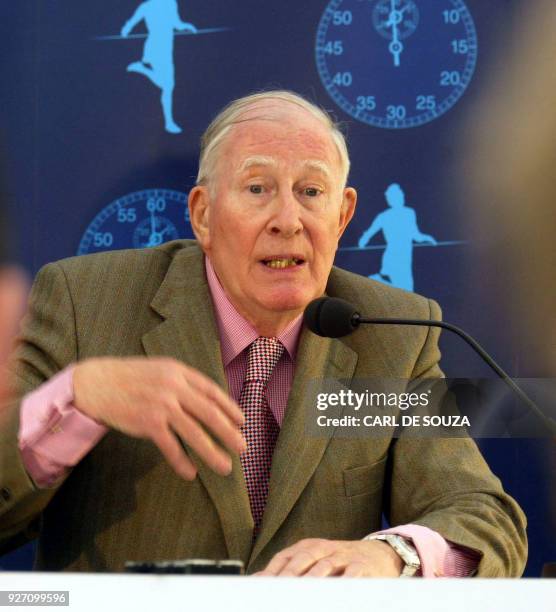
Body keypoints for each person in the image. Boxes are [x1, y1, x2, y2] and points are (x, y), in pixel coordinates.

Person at [0, 91, 526, 576]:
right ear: (203, 215)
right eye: (258, 189)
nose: (287, 220)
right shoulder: (87, 303)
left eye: (310, 191)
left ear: (342, 216)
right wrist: (76, 400)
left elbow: (484, 517)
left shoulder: (389, 333)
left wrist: (392, 557)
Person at [121, 0, 197, 134]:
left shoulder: (171, 3)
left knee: (167, 85)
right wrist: (126, 29)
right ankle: (169, 122)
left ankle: (141, 68)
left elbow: (176, 24)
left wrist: (186, 26)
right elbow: (132, 21)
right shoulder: (147, 6)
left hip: (167, 46)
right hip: (155, 47)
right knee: (168, 86)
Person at [358, 183, 437, 292]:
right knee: (406, 293)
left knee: (406, 292)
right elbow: (370, 232)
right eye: (398, 196)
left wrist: (427, 238)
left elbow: (415, 235)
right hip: (393, 256)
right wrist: (363, 241)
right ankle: (375, 280)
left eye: (401, 195)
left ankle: (376, 280)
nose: (402, 197)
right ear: (392, 199)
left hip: (405, 257)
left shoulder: (409, 213)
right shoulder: (385, 216)